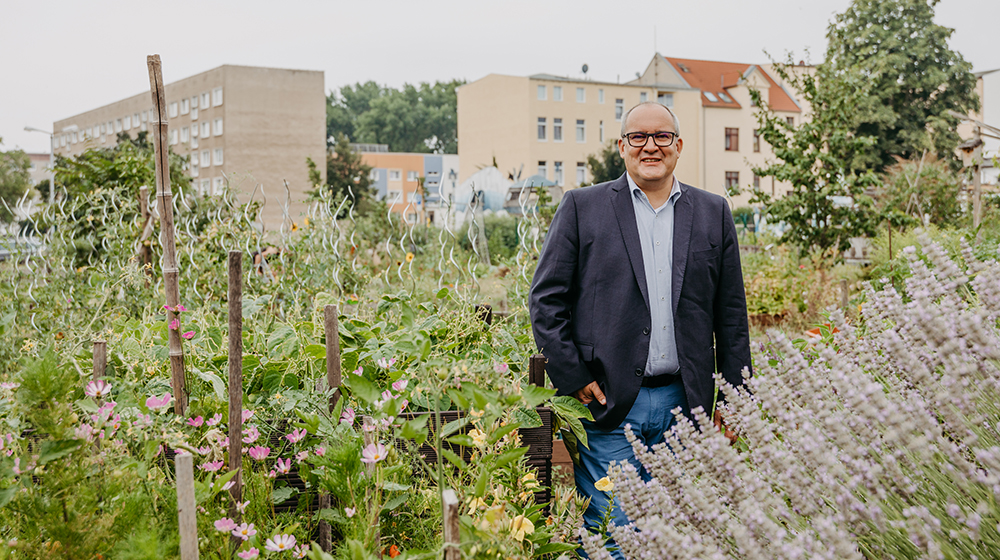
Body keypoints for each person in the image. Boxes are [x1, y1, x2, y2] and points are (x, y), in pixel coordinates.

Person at [529, 102, 752, 556]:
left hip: (682, 404)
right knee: (613, 532)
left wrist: (735, 398)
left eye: (662, 136)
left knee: (673, 532)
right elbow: (546, 299)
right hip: (609, 403)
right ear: (622, 147)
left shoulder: (713, 212)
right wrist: (573, 377)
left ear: (678, 145)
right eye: (639, 137)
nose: (651, 145)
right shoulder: (582, 207)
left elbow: (731, 315)